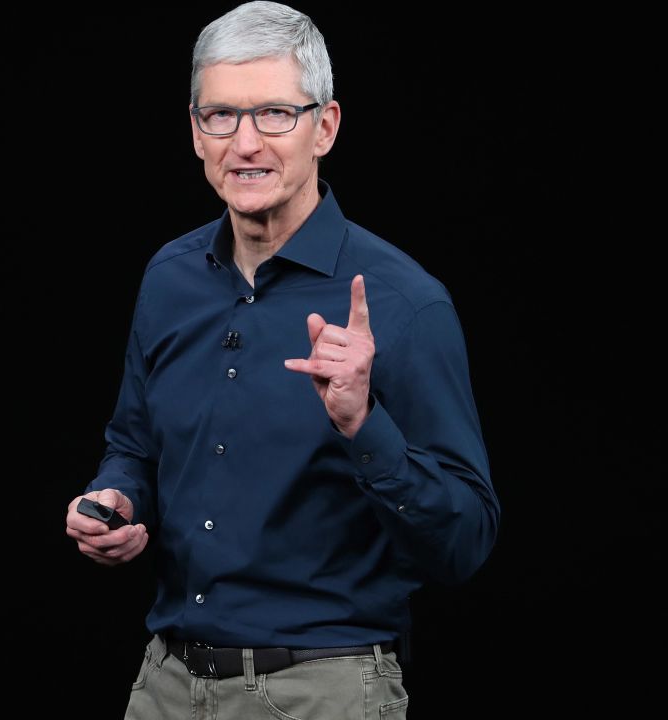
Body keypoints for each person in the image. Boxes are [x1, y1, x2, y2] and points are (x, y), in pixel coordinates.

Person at [64, 2, 498, 717]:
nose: (245, 144)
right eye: (221, 117)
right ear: (196, 132)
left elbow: (465, 543)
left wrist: (366, 426)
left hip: (321, 691)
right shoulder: (169, 278)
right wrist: (116, 498)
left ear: (323, 127)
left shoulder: (404, 305)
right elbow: (132, 445)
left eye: (274, 114)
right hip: (165, 685)